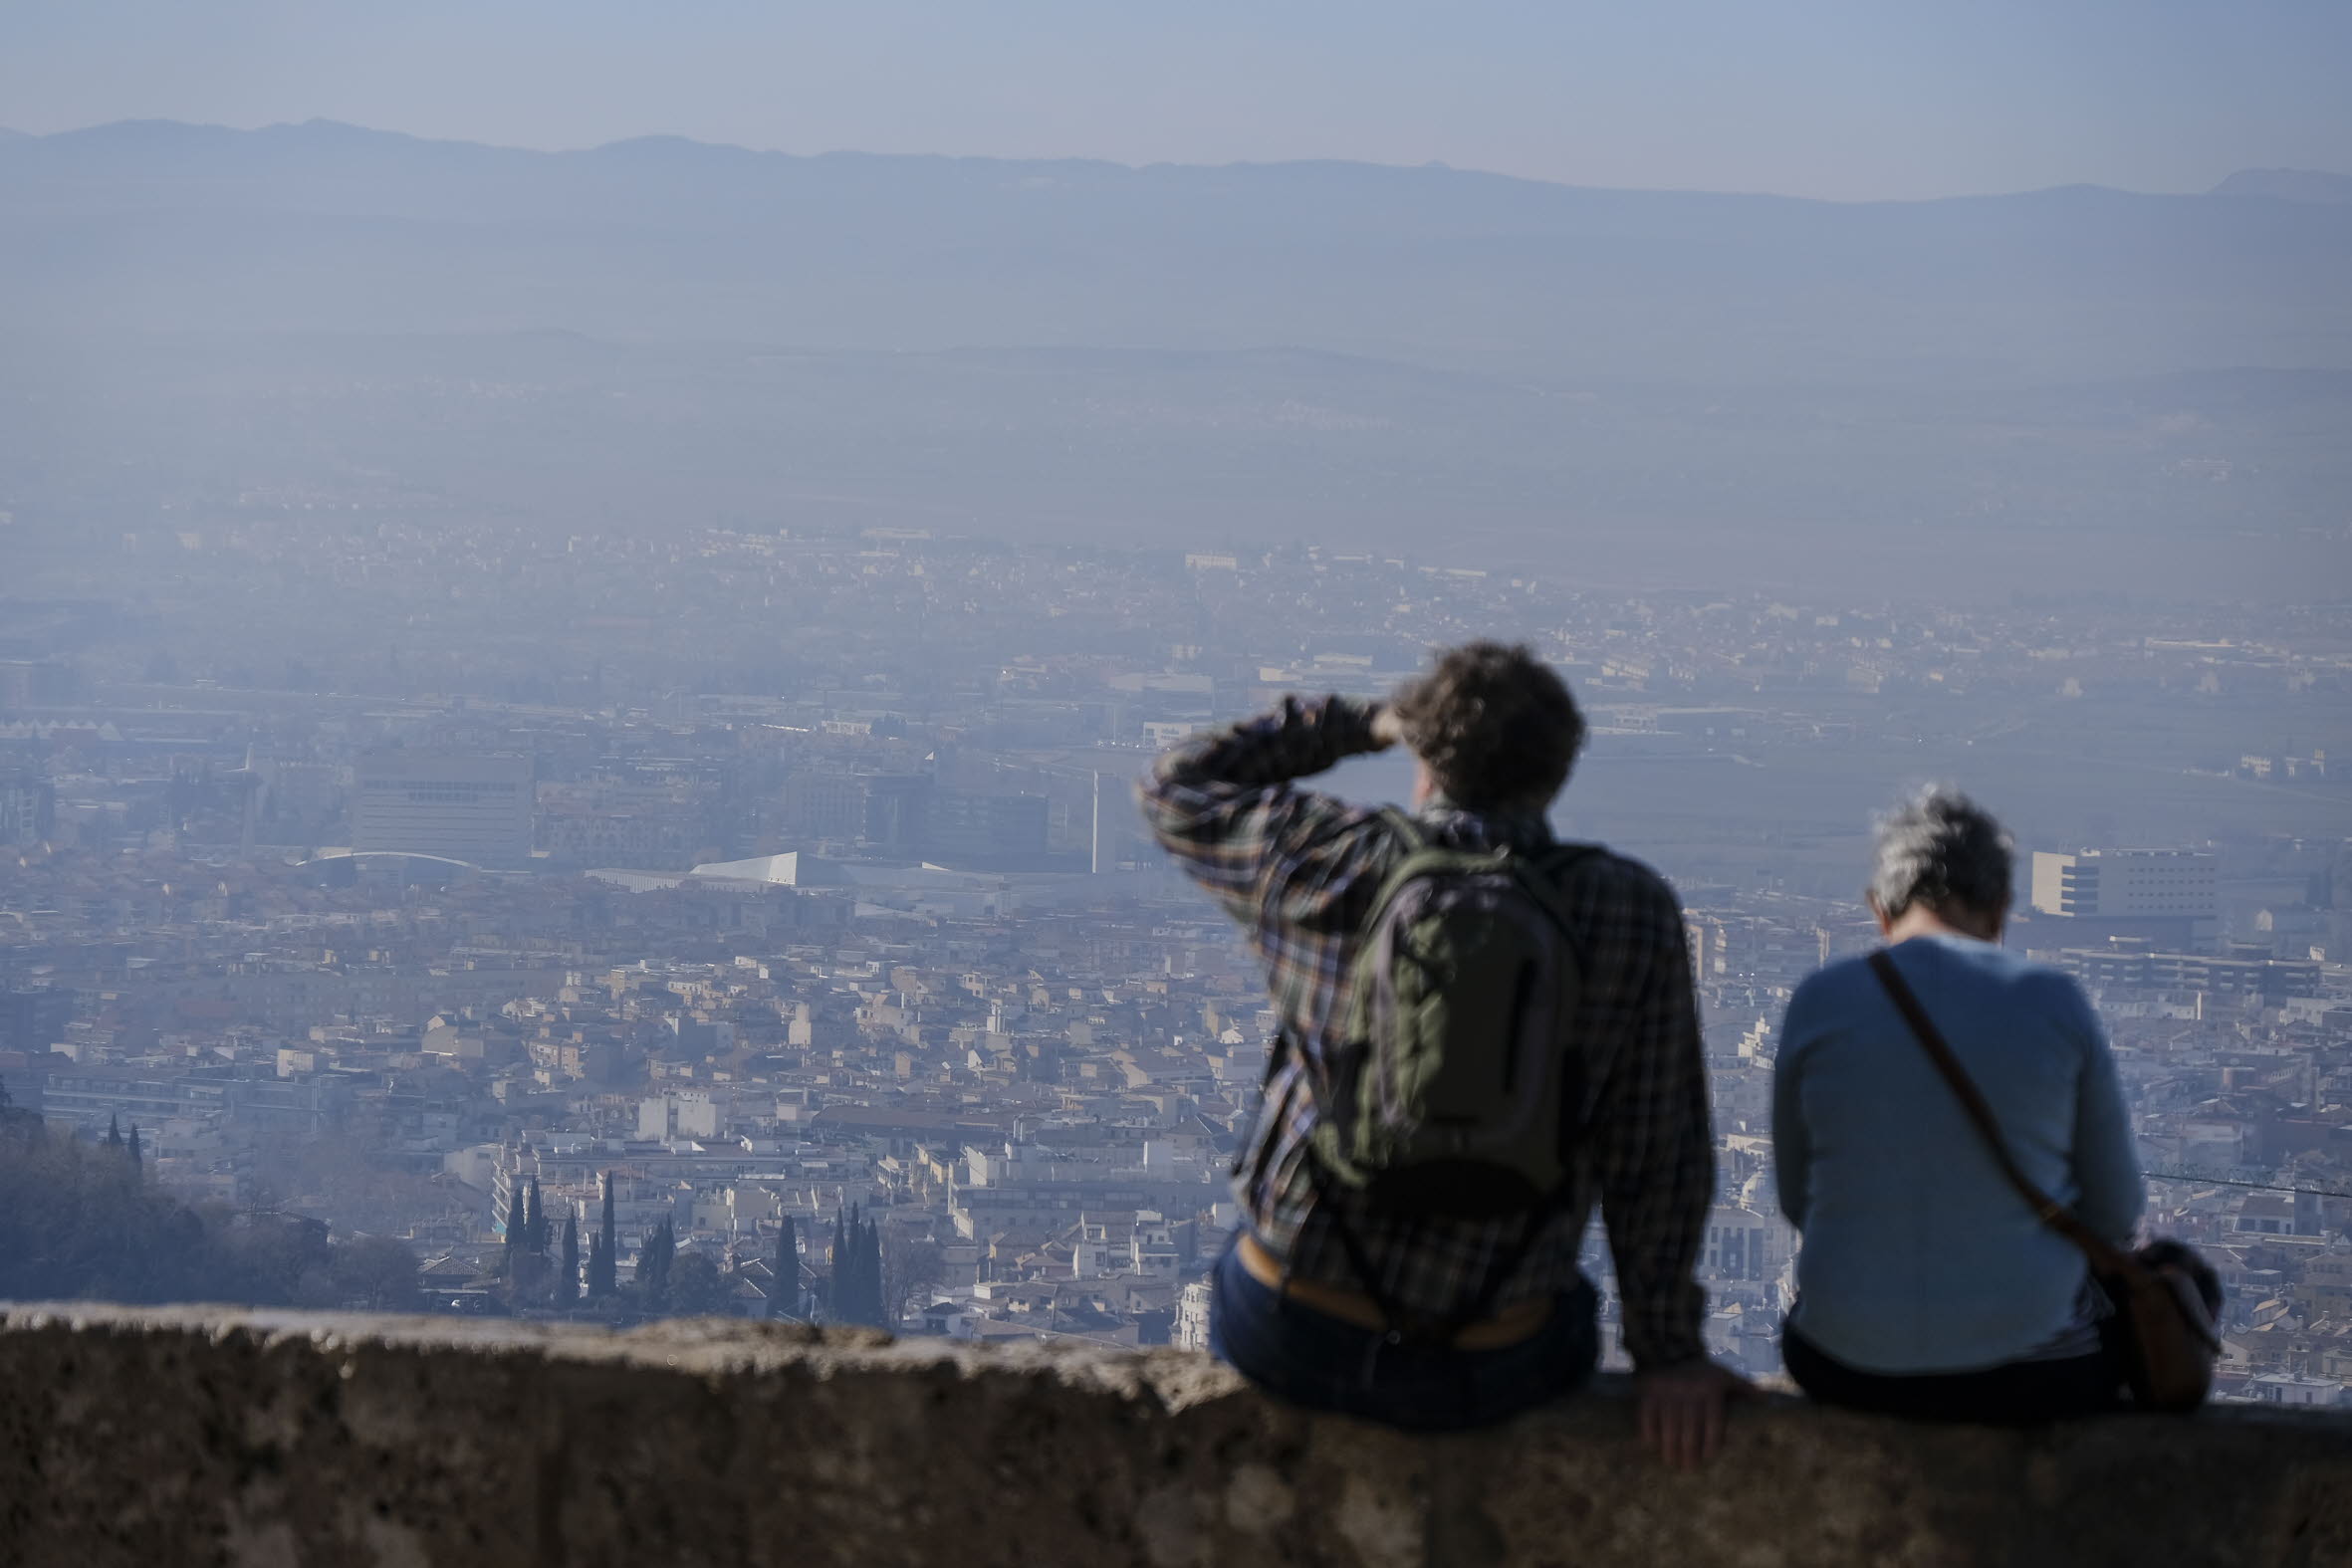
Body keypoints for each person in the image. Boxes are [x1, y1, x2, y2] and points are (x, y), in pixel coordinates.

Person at [1139, 640, 1746, 1463]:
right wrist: (1668, 1351)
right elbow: (1657, 1156)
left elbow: (1175, 784)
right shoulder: (1627, 909)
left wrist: (1362, 723)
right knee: (1574, 1307)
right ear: (1557, 772)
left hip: (1299, 1326)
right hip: (1494, 1355)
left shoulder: (1329, 856)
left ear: (1423, 756)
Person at [1772, 787, 2144, 1422]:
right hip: (2031, 1370)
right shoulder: (2052, 1000)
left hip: (1844, 1361)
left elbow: (1795, 1199)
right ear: (2000, 909)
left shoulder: (1821, 999)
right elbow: (2116, 1211)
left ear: (1879, 909)